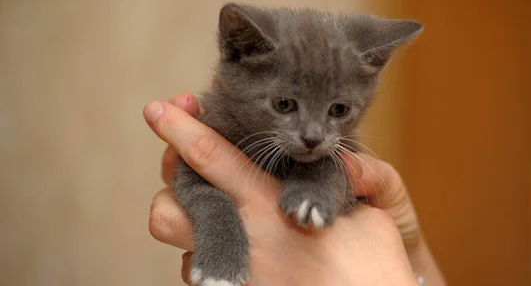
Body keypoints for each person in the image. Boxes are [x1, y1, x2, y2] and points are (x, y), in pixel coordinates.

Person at [144, 93, 446, 285]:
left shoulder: (336, 157)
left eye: (338, 109)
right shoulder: (230, 118)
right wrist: (414, 261)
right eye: (285, 104)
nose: (314, 134)